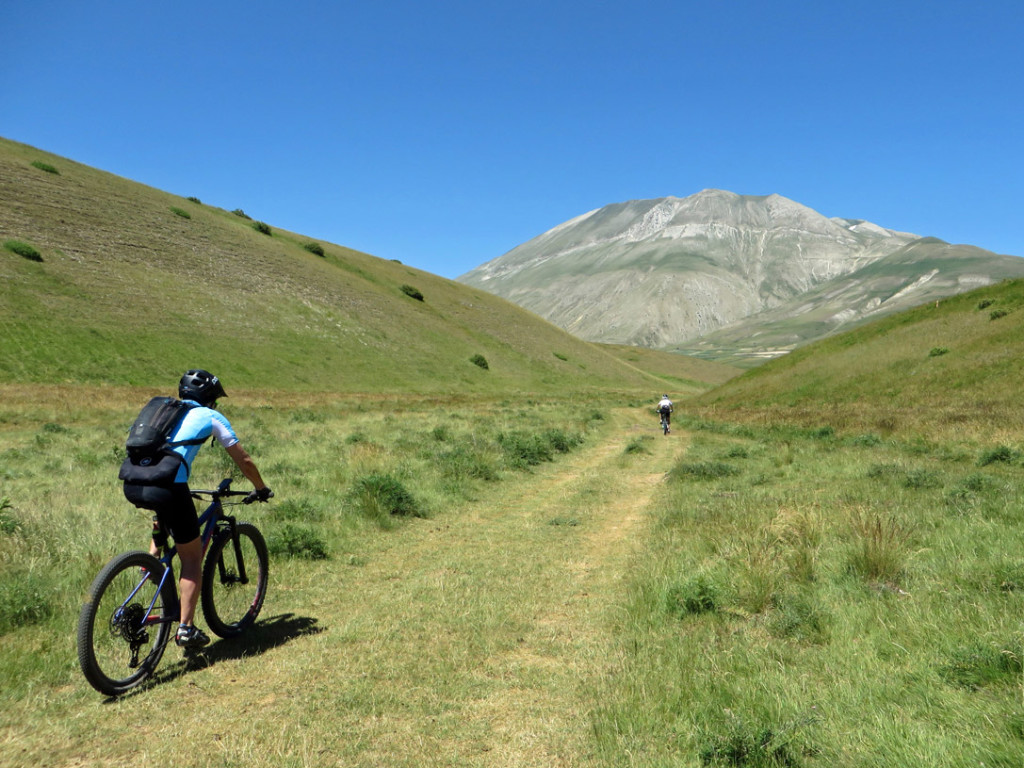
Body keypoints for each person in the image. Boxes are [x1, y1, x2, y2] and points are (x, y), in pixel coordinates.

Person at [122, 369, 272, 649]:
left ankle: (151, 569)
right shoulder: (210, 416)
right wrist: (261, 487)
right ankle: (185, 629)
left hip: (133, 482)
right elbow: (244, 459)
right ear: (209, 398)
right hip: (168, 486)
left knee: (166, 519)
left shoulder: (164, 412)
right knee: (191, 561)